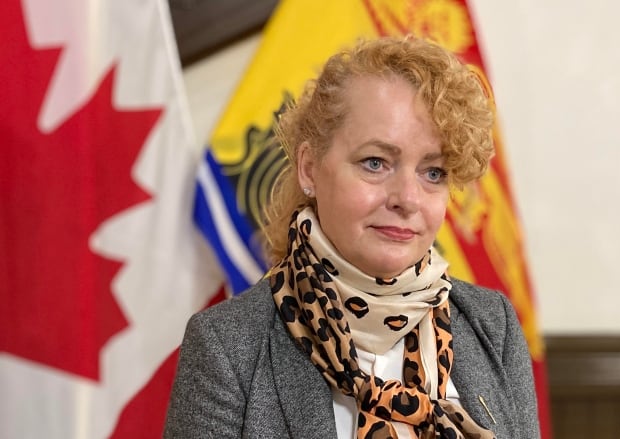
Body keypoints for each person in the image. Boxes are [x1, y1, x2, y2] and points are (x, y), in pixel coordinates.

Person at [164, 35, 540, 439]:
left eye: (433, 172)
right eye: (375, 163)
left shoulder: (491, 323)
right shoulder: (227, 346)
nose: (408, 199)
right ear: (310, 169)